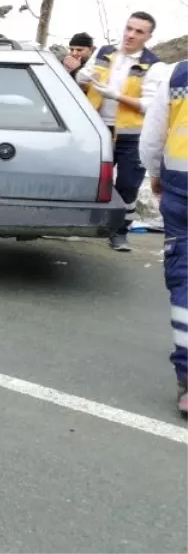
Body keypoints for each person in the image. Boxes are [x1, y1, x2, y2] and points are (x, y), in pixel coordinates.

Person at [80, 11, 167, 251]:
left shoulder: (154, 65)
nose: (130, 35)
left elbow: (151, 105)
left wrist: (115, 96)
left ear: (148, 36)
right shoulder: (104, 53)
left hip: (132, 135)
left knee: (128, 186)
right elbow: (82, 79)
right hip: (97, 128)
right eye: (129, 28)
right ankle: (85, 225)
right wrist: (82, 76)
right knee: (90, 180)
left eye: (138, 31)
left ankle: (119, 233)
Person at [139, 58, 188, 416]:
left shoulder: (178, 74)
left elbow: (154, 134)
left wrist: (155, 172)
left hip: (181, 189)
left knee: (185, 278)